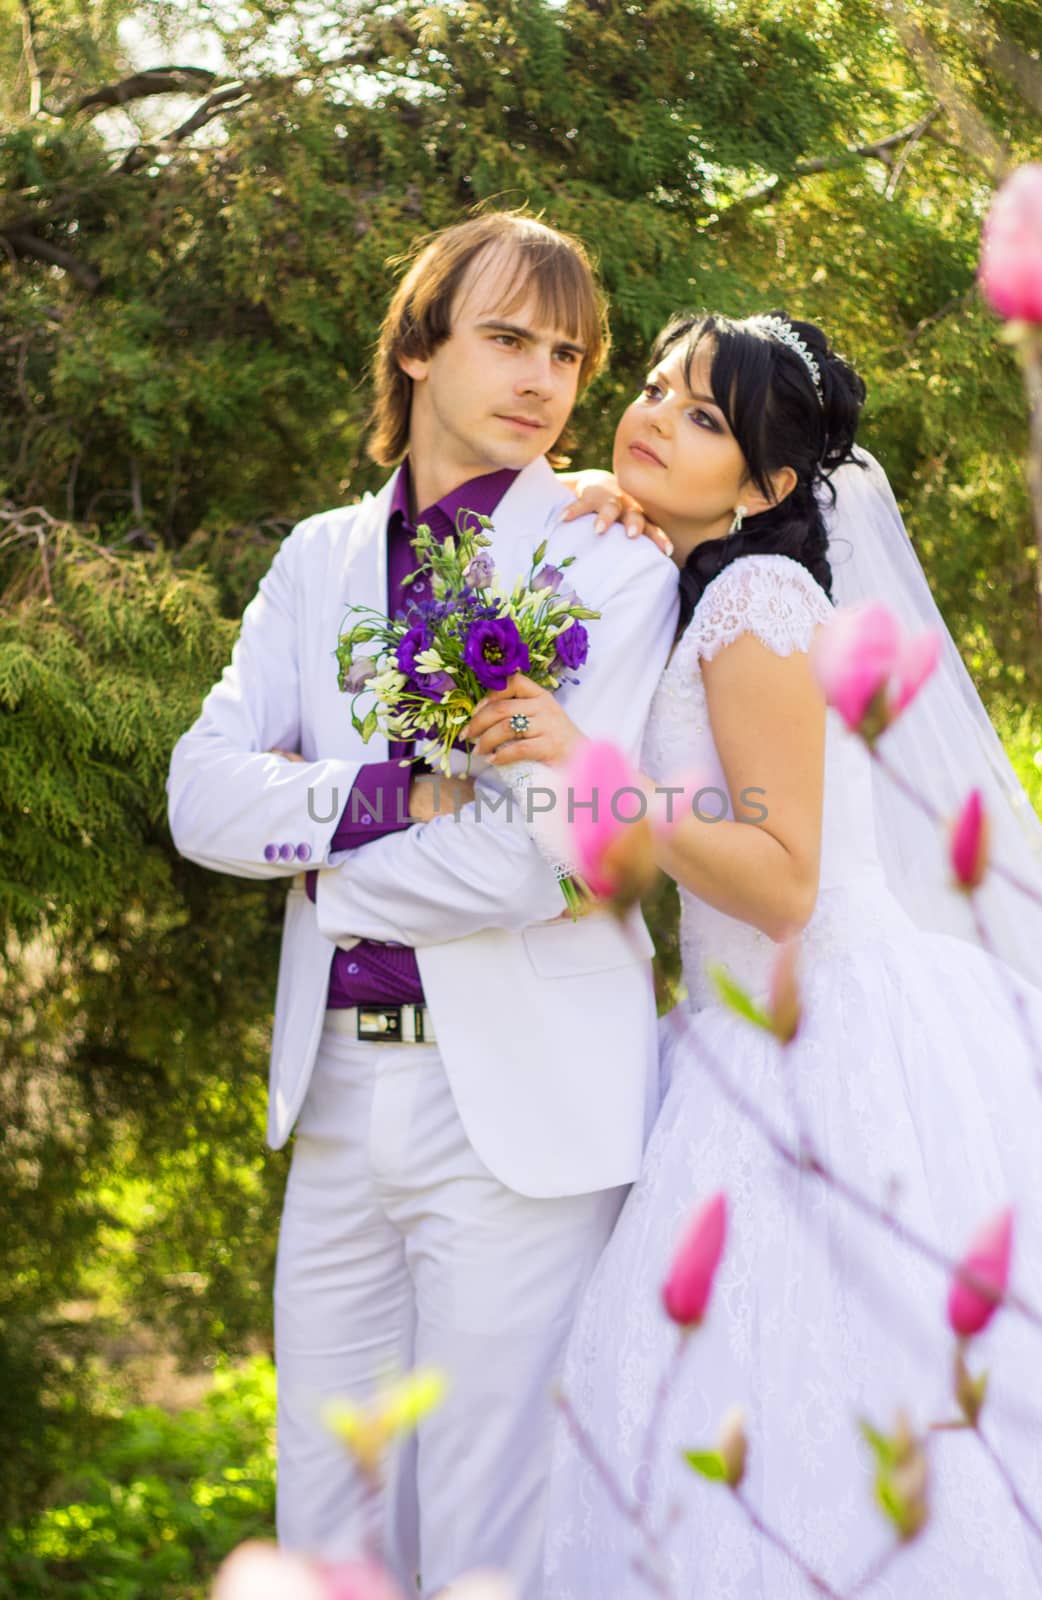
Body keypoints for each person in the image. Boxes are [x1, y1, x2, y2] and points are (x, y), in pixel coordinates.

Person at [465, 310, 1042, 1595]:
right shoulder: (700, 580)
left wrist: (593, 771)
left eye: (701, 418)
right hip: (745, 1033)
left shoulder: (754, 597)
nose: (648, 418)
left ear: (768, 485)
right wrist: (593, 488)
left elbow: (785, 879)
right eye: (651, 389)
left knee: (797, 1406)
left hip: (825, 1042)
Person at [166, 210, 679, 1597]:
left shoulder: (607, 565)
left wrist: (320, 875)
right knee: (324, 1508)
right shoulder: (315, 557)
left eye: (568, 354)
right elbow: (202, 800)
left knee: (484, 1529)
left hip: (513, 1107)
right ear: (417, 346)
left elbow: (532, 857)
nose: (541, 379)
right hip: (331, 1094)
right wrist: (388, 802)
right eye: (506, 338)